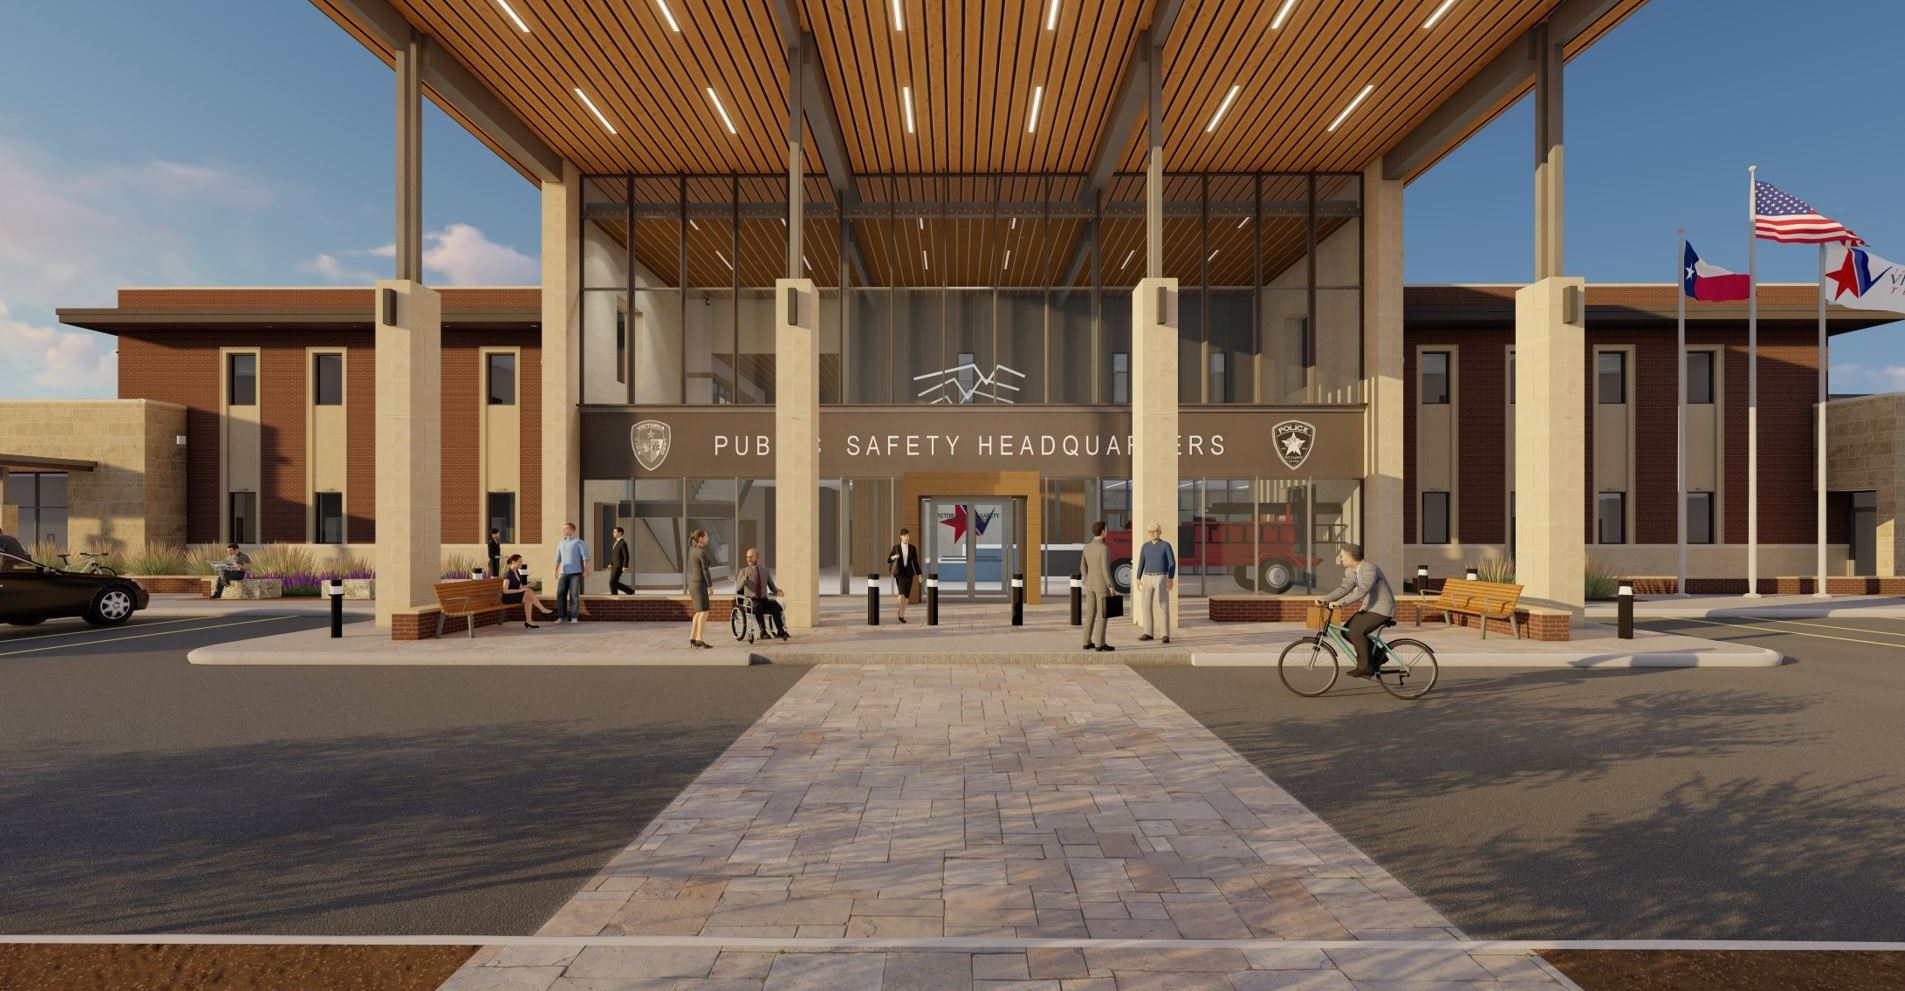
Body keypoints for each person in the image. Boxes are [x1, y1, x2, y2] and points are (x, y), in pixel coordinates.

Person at [1316, 542, 1396, 678]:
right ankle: (1378, 657)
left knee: (1355, 632)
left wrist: (1340, 604)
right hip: (1370, 608)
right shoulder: (1351, 571)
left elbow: (1362, 591)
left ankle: (1365, 667)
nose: (1340, 559)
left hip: (1382, 609)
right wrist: (1325, 600)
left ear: (1350, 557)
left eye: (1342, 556)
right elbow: (1344, 588)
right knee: (1346, 632)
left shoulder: (1369, 569)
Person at [1134, 523, 1177, 644]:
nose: (1153, 533)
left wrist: (1170, 578)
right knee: (1145, 605)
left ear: (1160, 532)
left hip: (1161, 577)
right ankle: (1148, 632)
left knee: (1163, 605)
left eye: (1155, 531)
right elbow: (1141, 562)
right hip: (1147, 577)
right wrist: (1138, 578)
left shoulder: (1165, 545)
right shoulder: (1145, 546)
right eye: (1150, 531)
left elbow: (1172, 563)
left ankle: (1165, 635)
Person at [735, 546, 790, 640]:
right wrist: (745, 578)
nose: (749, 559)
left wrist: (778, 591)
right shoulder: (743, 571)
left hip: (764, 599)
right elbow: (738, 588)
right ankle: (763, 632)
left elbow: (772, 586)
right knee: (758, 605)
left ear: (757, 557)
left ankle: (780, 631)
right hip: (750, 600)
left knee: (775, 604)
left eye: (751, 557)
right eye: (747, 557)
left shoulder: (765, 570)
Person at [1080, 521, 1113, 652]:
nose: (1107, 531)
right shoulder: (1104, 548)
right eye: (1106, 529)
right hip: (1101, 586)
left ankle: (1086, 642)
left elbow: (1082, 565)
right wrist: (1110, 585)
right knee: (1102, 614)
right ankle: (1100, 643)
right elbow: (1105, 569)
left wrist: (1086, 579)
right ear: (1103, 531)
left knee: (1090, 613)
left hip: (1090, 584)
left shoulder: (1087, 547)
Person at [501, 554, 554, 628]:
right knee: (528, 592)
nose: (521, 563)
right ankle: (543, 610)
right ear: (513, 562)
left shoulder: (517, 572)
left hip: (515, 595)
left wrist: (529, 585)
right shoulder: (509, 574)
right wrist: (521, 591)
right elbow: (505, 591)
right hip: (508, 597)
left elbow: (520, 587)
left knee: (529, 597)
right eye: (520, 561)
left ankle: (529, 621)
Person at [553, 522, 589, 623]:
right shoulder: (560, 543)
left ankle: (574, 616)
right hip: (564, 573)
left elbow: (585, 557)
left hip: (576, 573)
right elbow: (558, 558)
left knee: (574, 595)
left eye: (566, 529)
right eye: (563, 529)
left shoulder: (579, 542)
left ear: (573, 530)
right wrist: (555, 570)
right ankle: (561, 616)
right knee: (560, 594)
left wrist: (586, 570)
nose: (564, 531)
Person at [687, 529, 714, 649]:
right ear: (701, 538)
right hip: (700, 584)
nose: (708, 539)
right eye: (706, 537)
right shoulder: (700, 552)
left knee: (698, 612)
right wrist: (710, 586)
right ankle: (700, 639)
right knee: (704, 611)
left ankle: (692, 637)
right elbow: (705, 570)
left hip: (693, 583)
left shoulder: (693, 550)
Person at [886, 527, 919, 624]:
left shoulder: (912, 548)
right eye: (905, 536)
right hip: (899, 574)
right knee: (902, 594)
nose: (907, 538)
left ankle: (901, 612)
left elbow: (915, 562)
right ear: (901, 536)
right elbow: (888, 560)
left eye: (908, 536)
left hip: (909, 573)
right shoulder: (896, 547)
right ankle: (901, 615)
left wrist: (919, 574)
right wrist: (893, 557)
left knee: (907, 596)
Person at [607, 526, 634, 595]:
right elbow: (615, 555)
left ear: (620, 533)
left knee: (612, 583)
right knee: (614, 582)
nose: (613, 533)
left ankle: (614, 597)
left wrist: (625, 566)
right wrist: (611, 564)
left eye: (615, 532)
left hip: (619, 566)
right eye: (613, 532)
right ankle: (629, 591)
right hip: (614, 566)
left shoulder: (623, 543)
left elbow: (626, 555)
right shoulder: (616, 543)